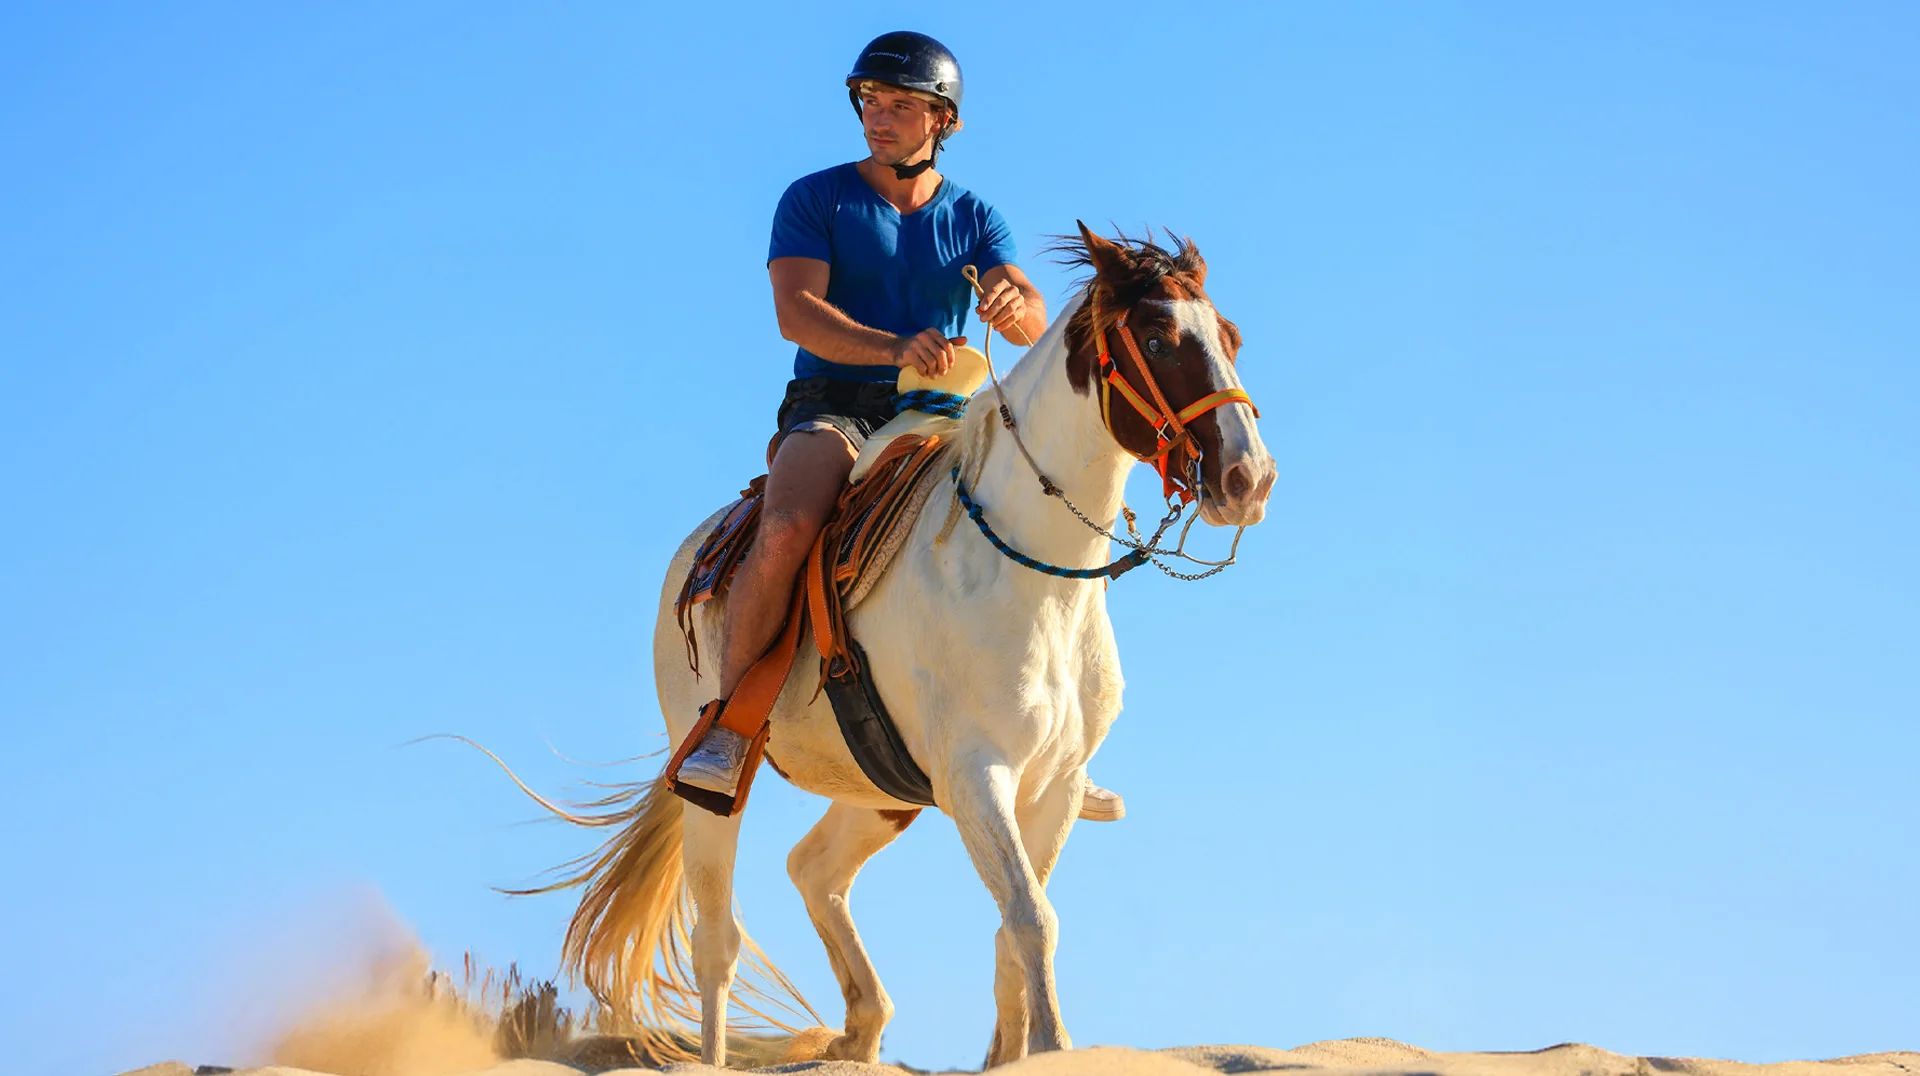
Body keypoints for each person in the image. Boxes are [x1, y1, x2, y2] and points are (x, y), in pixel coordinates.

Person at [673, 31, 1125, 823]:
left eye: (900, 105)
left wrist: (1014, 306)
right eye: (870, 102)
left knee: (1055, 509)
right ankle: (729, 727)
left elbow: (1029, 314)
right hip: (835, 406)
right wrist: (892, 347)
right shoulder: (815, 199)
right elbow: (796, 313)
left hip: (945, 415)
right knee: (788, 524)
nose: (878, 118)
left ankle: (1063, 738)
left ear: (942, 121)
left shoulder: (974, 215)